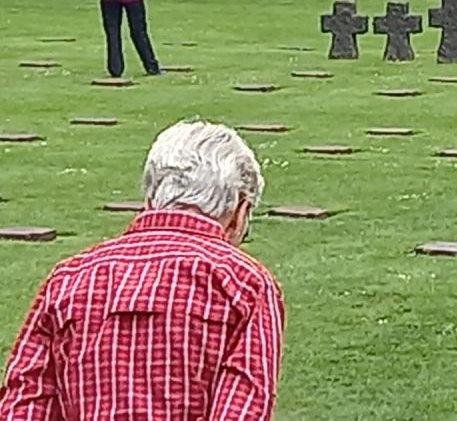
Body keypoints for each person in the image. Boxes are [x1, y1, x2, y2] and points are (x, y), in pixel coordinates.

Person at [0, 121, 284, 421]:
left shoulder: (69, 278)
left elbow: (25, 403)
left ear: (150, 200)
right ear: (240, 211)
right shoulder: (245, 284)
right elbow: (242, 408)